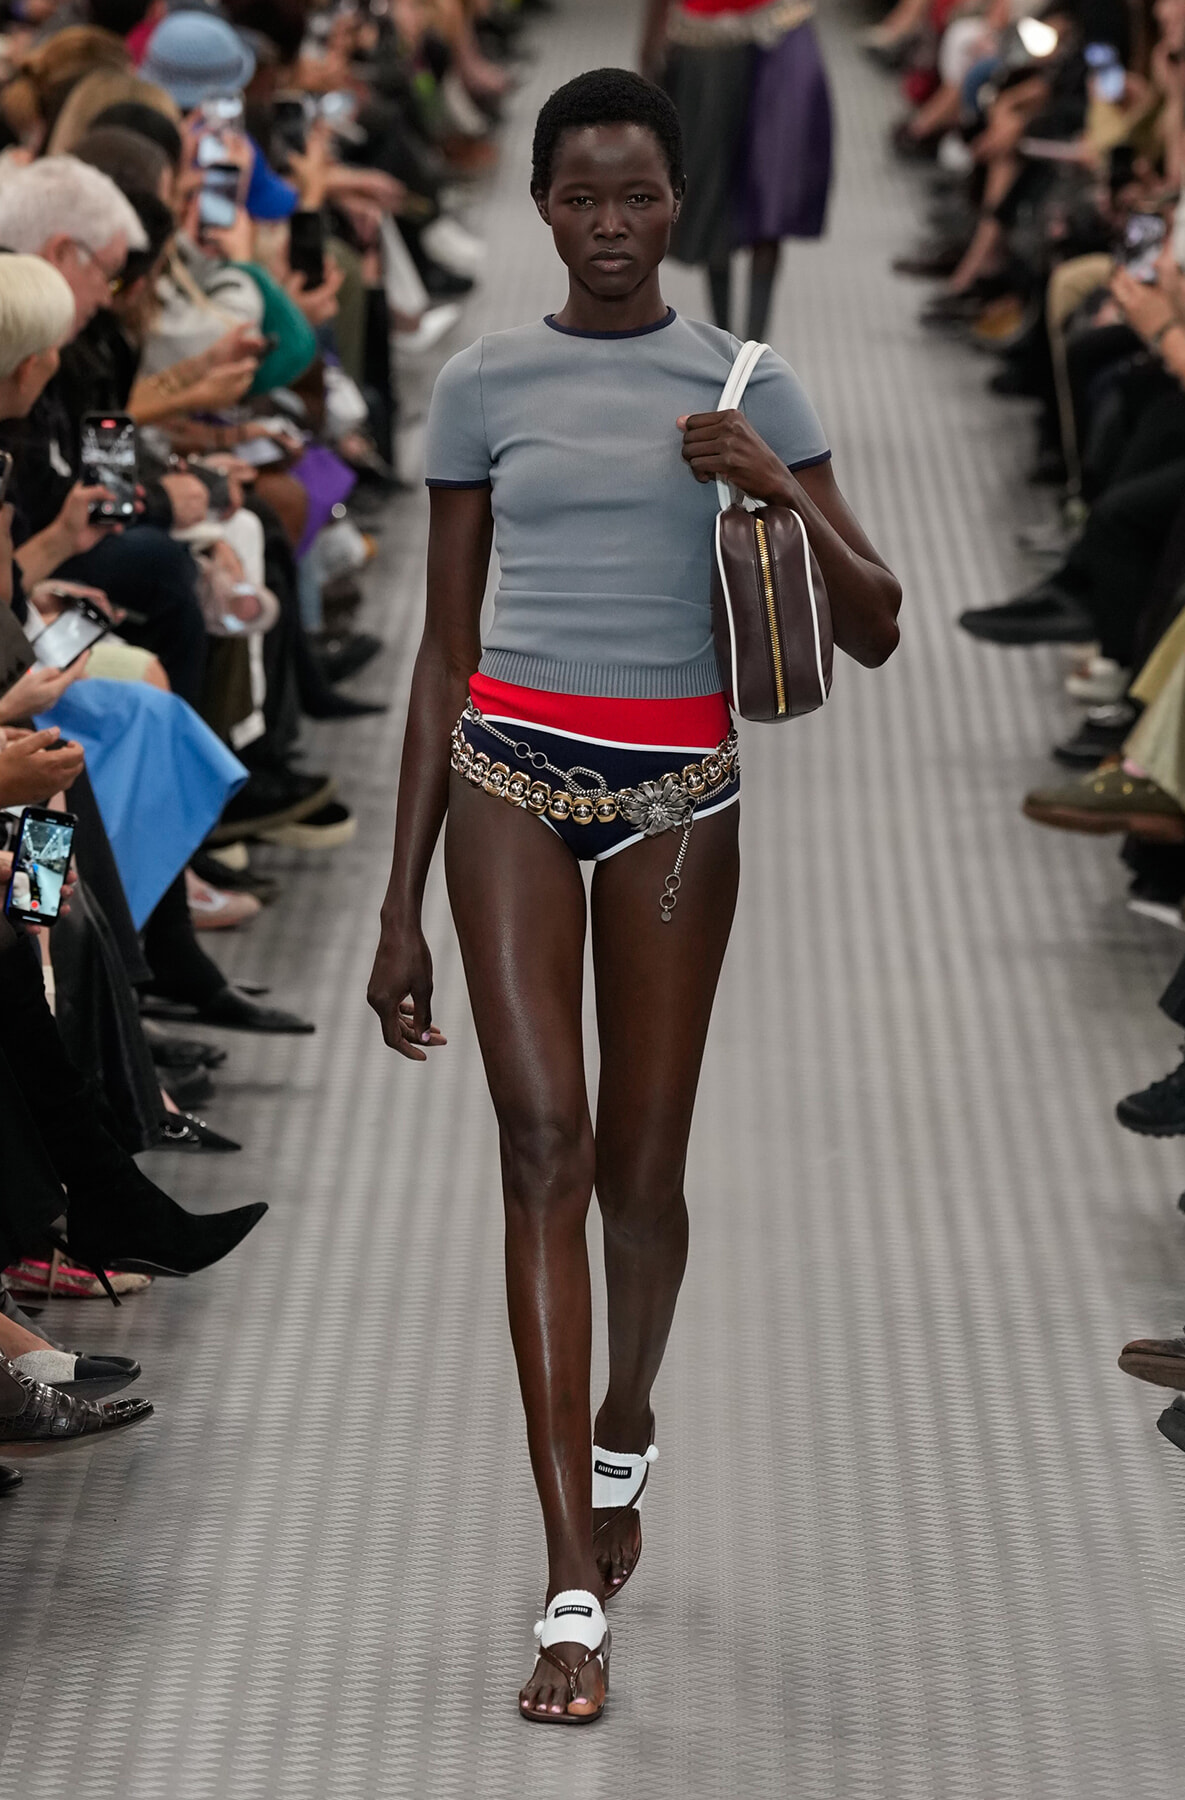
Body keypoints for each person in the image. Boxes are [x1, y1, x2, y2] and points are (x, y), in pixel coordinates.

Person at [368, 68, 900, 1725]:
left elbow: (878, 623)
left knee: (643, 1178)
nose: (610, 226)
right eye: (581, 198)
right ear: (543, 205)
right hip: (508, 786)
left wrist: (779, 478)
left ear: (680, 206)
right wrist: (397, 902)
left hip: (681, 803)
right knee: (546, 1146)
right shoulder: (482, 383)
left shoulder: (749, 379)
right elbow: (443, 654)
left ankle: (628, 1421)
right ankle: (571, 1589)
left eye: (639, 198)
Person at [641, 0, 835, 340]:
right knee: (712, 199)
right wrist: (651, 41)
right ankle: (726, 345)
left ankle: (756, 351)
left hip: (780, 29)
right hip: (704, 37)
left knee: (772, 194)